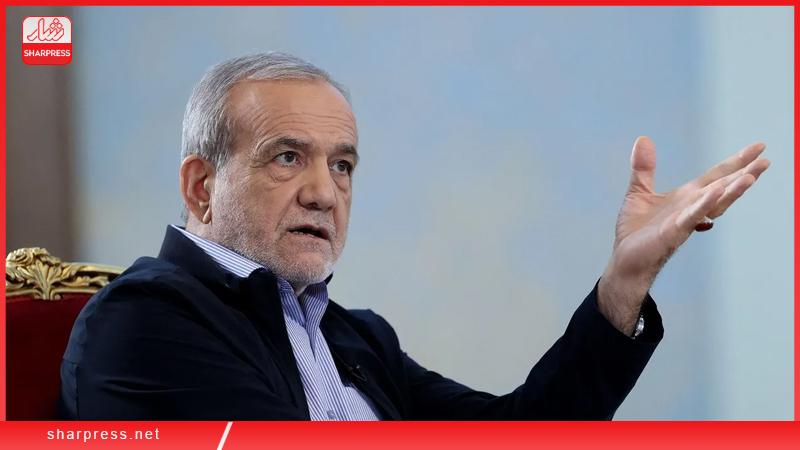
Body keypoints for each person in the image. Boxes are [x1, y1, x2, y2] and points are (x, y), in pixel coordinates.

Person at [58, 52, 770, 421]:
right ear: (201, 186)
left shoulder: (357, 337)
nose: (325, 192)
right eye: (288, 157)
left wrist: (623, 284)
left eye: (343, 165)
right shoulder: (145, 320)